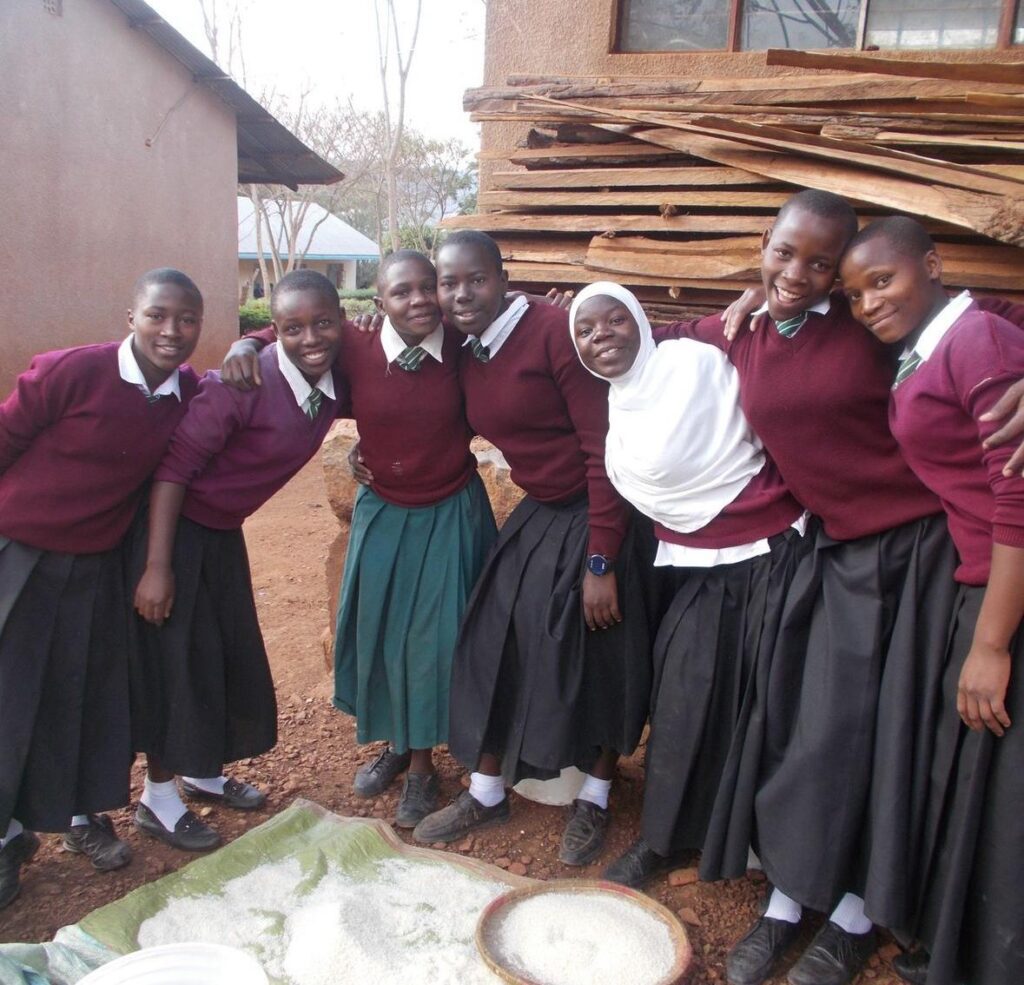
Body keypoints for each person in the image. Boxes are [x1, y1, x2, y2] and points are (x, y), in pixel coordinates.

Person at [656, 190, 964, 985]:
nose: (797, 273)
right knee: (799, 721)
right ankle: (788, 900)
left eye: (820, 264)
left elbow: (981, 320)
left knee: (880, 735)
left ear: (841, 275)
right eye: (785, 253)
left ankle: (856, 914)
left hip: (913, 553)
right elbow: (648, 341)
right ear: (765, 242)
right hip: (826, 548)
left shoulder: (864, 328)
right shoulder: (746, 329)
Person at [223, 251, 498, 827]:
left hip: (448, 512)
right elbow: (300, 328)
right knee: (378, 633)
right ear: (378, 305)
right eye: (402, 292)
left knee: (431, 641)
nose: (420, 300)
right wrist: (248, 343)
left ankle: (423, 767)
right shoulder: (355, 345)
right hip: (385, 515)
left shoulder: (466, 346)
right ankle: (399, 742)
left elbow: (521, 318)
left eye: (430, 288)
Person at [409, 231, 657, 867]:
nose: (460, 294)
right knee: (496, 636)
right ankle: (486, 791)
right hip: (543, 509)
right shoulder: (468, 347)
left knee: (596, 645)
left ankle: (596, 797)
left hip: (602, 513)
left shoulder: (553, 334)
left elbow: (604, 450)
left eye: (476, 280)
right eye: (448, 283)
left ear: (502, 277)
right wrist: (256, 337)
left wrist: (602, 560)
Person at [567, 282, 810, 888]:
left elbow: (764, 348)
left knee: (774, 708)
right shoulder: (620, 404)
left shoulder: (697, 359)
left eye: (615, 320)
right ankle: (665, 839)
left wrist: (763, 295)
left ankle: (779, 867)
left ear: (642, 322)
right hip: (698, 567)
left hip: (774, 552)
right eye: (586, 330)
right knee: (681, 701)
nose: (602, 337)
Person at [840, 216, 1024, 985]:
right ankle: (957, 948)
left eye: (882, 281)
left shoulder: (976, 339)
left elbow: (1018, 500)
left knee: (1003, 794)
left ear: (934, 263)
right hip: (978, 584)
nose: (869, 303)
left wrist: (991, 642)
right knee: (972, 779)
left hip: (1008, 598)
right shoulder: (932, 350)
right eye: (854, 295)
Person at [0, 268, 203, 906]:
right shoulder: (70, 372)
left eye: (187, 320)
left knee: (79, 695)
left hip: (96, 565)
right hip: (21, 556)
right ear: (131, 317)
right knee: (9, 703)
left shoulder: (185, 393)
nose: (172, 331)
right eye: (157, 316)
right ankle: (7, 838)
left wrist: (252, 345)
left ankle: (79, 817)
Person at [131, 269, 345, 851]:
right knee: (178, 663)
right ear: (275, 330)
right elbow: (173, 471)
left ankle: (202, 772)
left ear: (343, 321)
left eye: (324, 322)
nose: (311, 338)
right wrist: (157, 566)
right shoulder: (241, 386)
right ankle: (158, 797)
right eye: (293, 328)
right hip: (177, 534)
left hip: (222, 533)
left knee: (222, 654)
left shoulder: (332, 380)